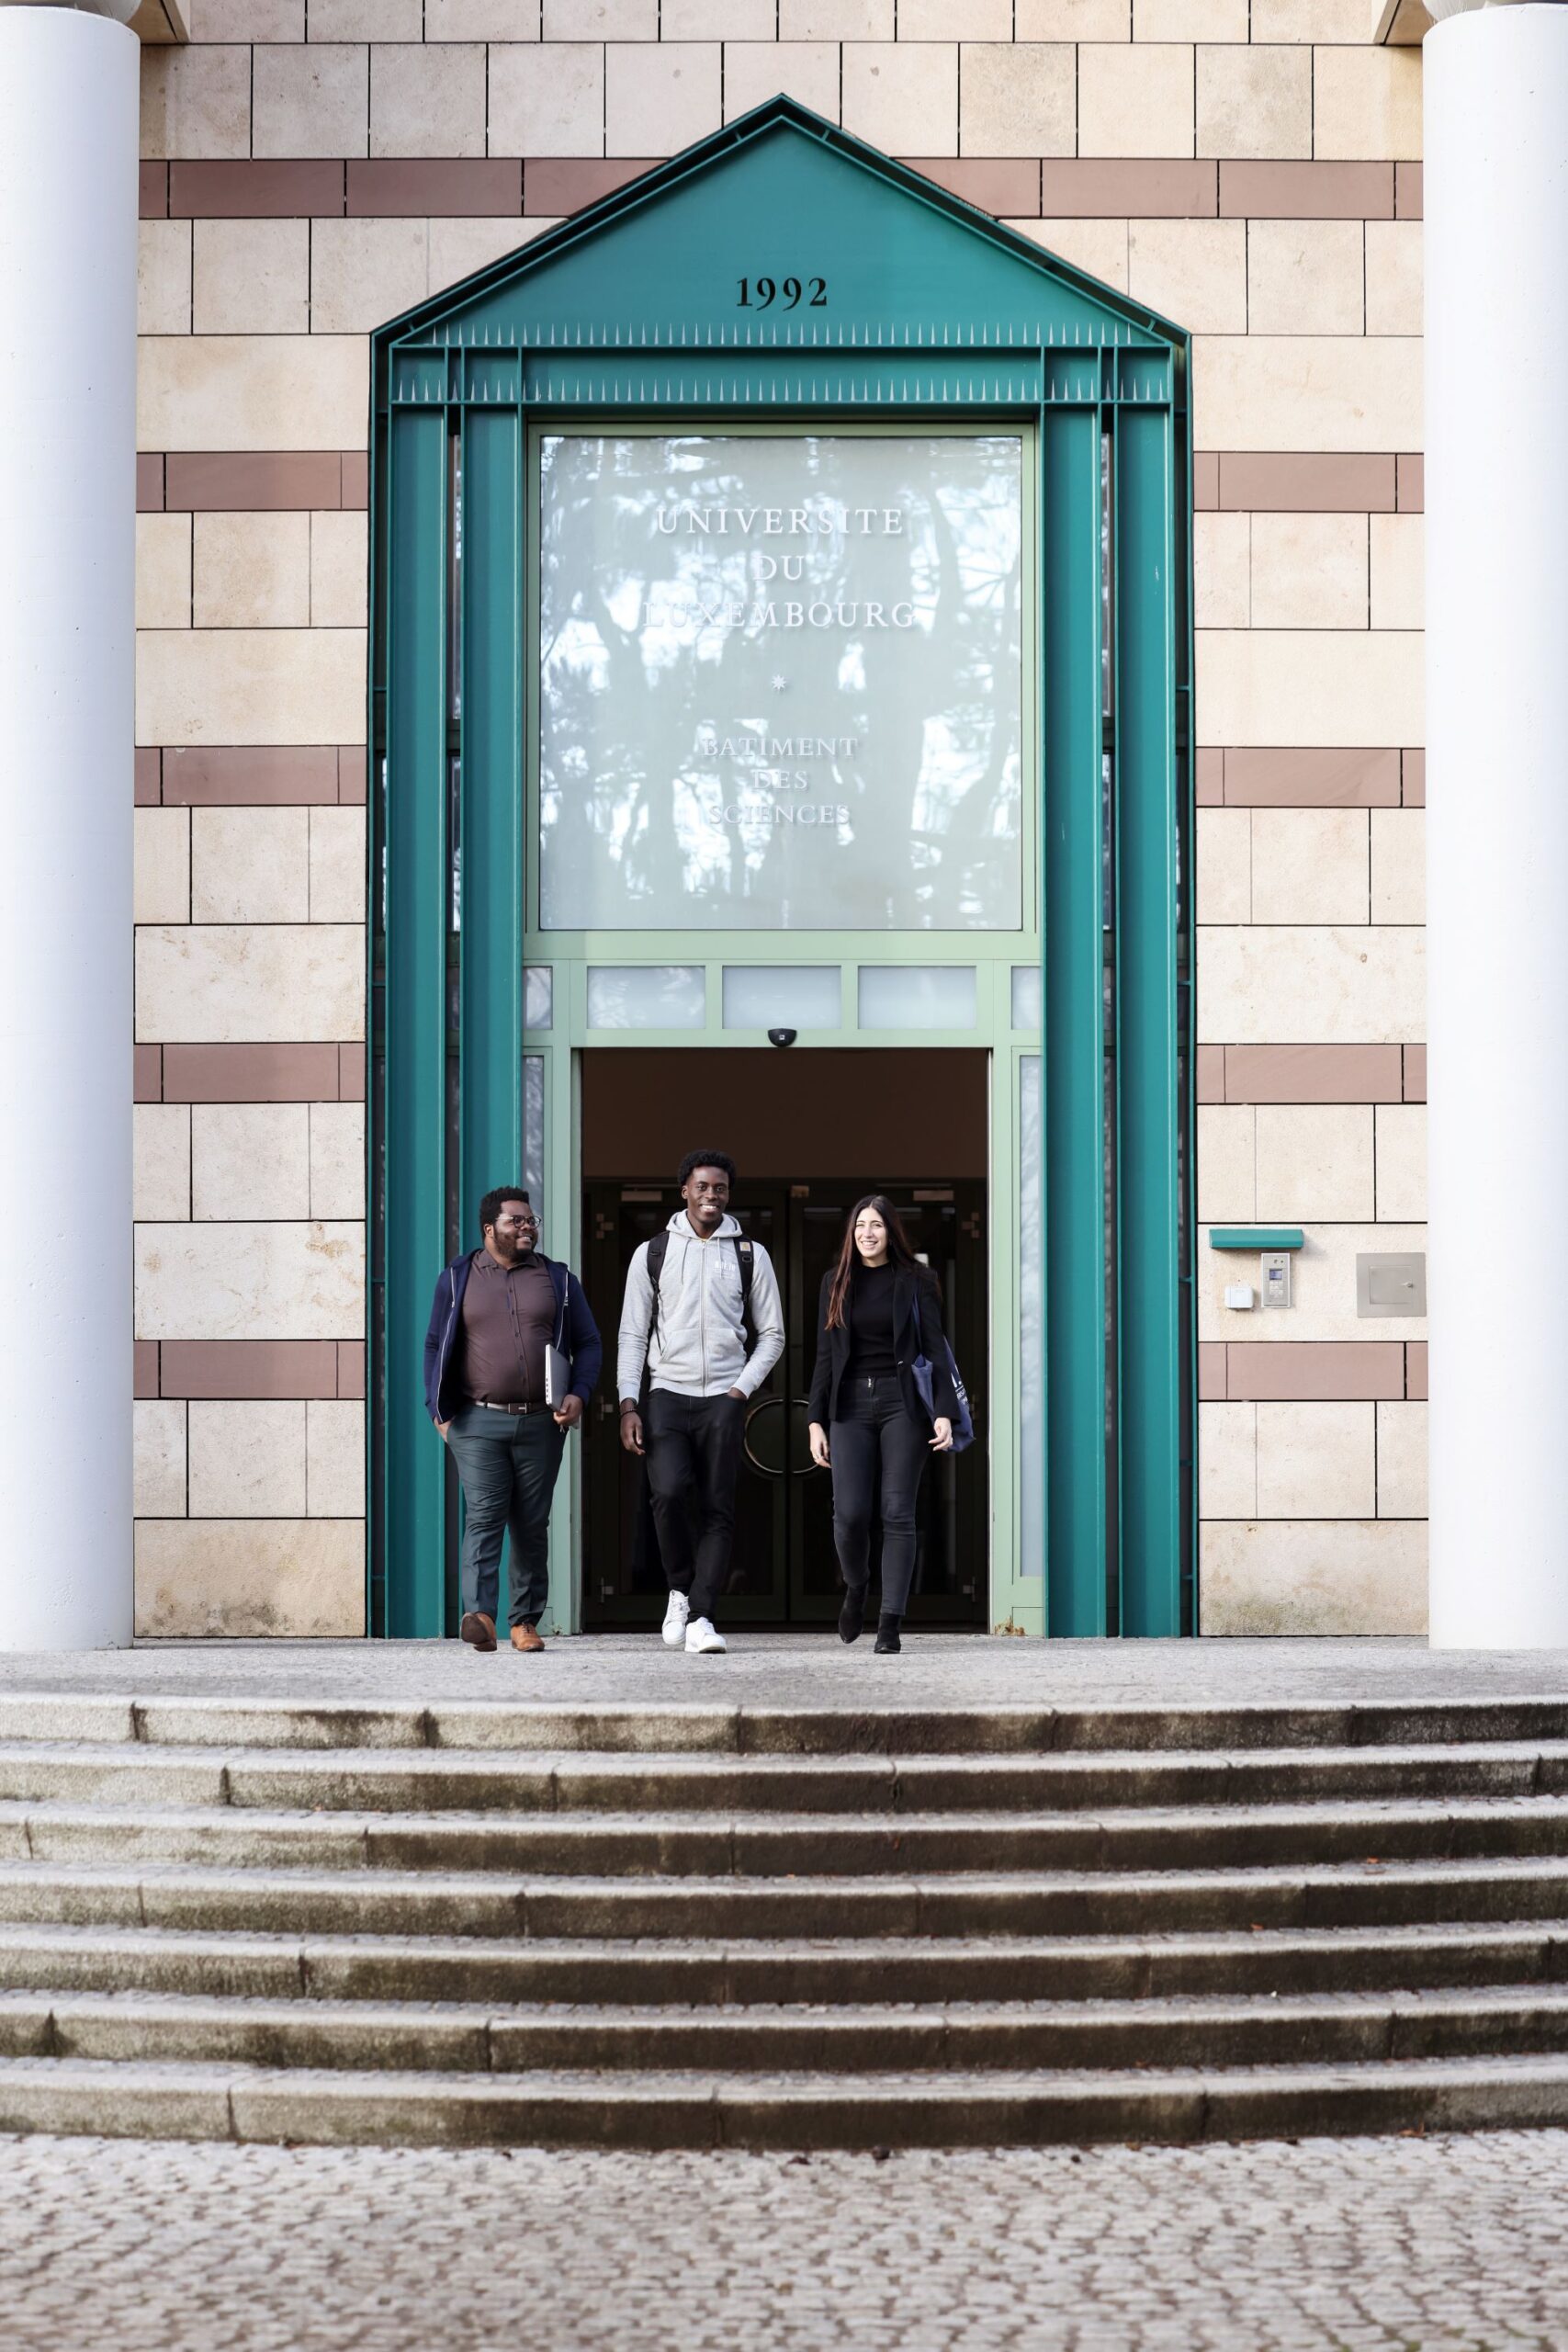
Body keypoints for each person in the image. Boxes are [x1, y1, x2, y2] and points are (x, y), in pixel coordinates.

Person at [616, 1149, 784, 1656]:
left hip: (724, 1399)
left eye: (721, 1188)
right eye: (702, 1186)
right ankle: (681, 1589)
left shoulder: (750, 1254)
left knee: (718, 1508)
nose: (712, 1195)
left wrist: (740, 1391)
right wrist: (629, 1403)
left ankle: (704, 1616)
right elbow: (632, 1334)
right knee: (667, 1493)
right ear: (684, 1191)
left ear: (728, 1195)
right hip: (667, 1392)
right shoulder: (654, 1252)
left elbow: (773, 1334)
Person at [423, 1187, 602, 1654]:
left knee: (530, 1523)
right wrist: (437, 1411)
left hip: (543, 1422)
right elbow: (432, 1345)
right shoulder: (457, 1278)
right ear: (490, 1229)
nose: (527, 1227)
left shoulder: (559, 1280)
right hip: (478, 1422)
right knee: (484, 1516)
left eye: (530, 1220)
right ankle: (481, 1615)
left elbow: (589, 1343)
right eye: (515, 1221)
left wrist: (579, 1394)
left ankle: (524, 1622)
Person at [807, 1195, 955, 1654]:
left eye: (876, 1226)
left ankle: (890, 1621)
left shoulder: (917, 1281)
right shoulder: (836, 1282)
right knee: (849, 1515)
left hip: (902, 1404)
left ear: (891, 1231)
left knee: (897, 1513)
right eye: (859, 1226)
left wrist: (945, 1410)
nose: (867, 1233)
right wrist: (816, 1420)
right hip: (849, 1406)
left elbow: (934, 1347)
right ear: (851, 1234)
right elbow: (825, 1357)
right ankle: (857, 1585)